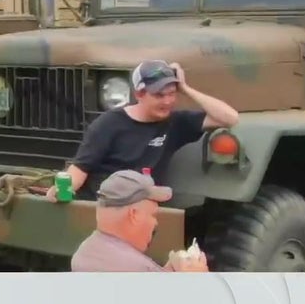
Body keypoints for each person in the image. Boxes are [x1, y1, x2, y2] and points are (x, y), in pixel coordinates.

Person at [46, 59, 239, 200]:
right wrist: (62, 191)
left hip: (143, 208)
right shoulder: (109, 124)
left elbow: (229, 118)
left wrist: (185, 88)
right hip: (104, 204)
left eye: (172, 94)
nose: (168, 101)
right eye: (159, 95)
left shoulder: (175, 123)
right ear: (139, 94)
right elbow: (80, 168)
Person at [70, 169, 209, 272]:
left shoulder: (84, 253)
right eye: (152, 215)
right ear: (134, 215)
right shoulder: (140, 269)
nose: (155, 223)